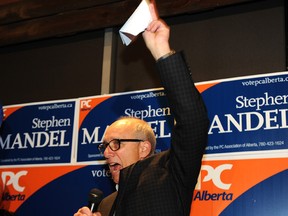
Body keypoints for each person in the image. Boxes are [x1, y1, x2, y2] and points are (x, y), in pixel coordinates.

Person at [74, 1, 209, 215]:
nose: (107, 153)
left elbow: (193, 122)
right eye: (105, 146)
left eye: (116, 144)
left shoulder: (168, 172)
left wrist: (161, 51)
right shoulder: (106, 204)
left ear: (144, 148)